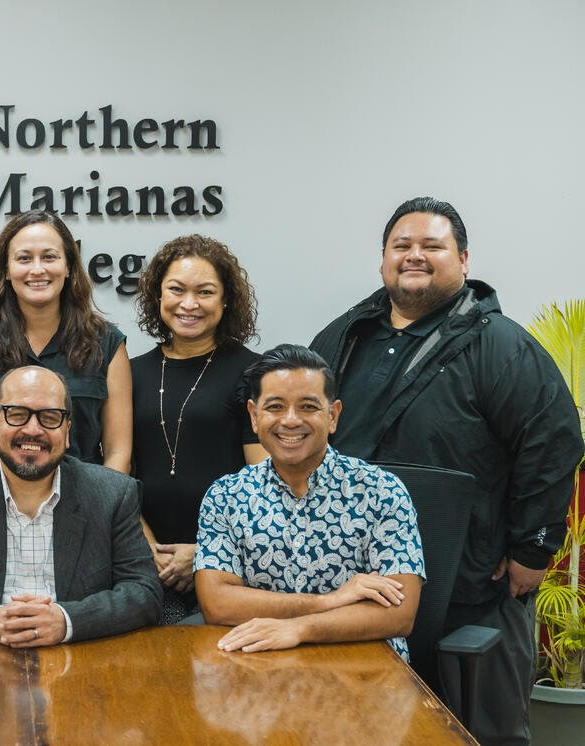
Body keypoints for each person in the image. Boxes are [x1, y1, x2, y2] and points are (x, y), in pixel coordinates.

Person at [310, 197, 583, 744]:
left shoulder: (500, 345)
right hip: (360, 581)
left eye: (431, 246)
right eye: (401, 246)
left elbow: (552, 442)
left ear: (462, 259)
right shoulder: (342, 338)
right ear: (382, 260)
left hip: (471, 581)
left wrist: (533, 549)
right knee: (364, 724)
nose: (415, 256)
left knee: (482, 729)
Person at [0, 366, 161, 644]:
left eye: (50, 417)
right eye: (17, 414)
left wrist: (67, 620)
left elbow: (144, 591)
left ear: (67, 430)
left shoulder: (113, 494)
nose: (33, 430)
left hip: (81, 662)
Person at [194, 344, 425, 657]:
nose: (290, 420)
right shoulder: (225, 497)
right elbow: (217, 604)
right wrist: (328, 602)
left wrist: (299, 629)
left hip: (365, 669)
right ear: (253, 415)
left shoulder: (381, 491)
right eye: (275, 406)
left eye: (307, 407)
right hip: (257, 667)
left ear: (333, 416)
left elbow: (399, 614)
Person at [130, 235, 268, 622]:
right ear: (158, 295)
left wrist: (206, 551)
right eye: (176, 289)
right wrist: (149, 549)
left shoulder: (255, 373)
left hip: (233, 564)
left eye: (204, 292)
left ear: (225, 301)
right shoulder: (129, 372)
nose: (188, 304)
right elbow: (118, 473)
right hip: (146, 565)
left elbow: (264, 484)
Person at [0, 210, 132, 471]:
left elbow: (118, 453)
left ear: (68, 267)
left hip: (88, 505)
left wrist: (101, 505)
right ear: (7, 270)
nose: (37, 269)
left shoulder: (108, 343)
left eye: (49, 257)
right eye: (24, 258)